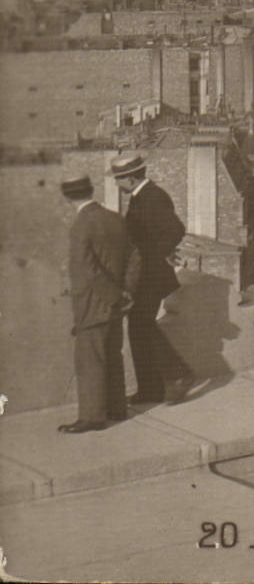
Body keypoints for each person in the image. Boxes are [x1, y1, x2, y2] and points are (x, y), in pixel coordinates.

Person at [60, 173, 140, 433]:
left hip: (94, 304)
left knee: (90, 359)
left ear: (67, 197)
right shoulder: (114, 218)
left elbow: (87, 270)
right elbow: (134, 256)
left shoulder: (80, 226)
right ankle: (117, 409)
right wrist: (126, 291)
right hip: (117, 302)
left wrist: (113, 295)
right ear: (91, 191)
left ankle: (93, 417)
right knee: (113, 355)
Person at [111, 153, 193, 406]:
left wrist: (154, 256)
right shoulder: (140, 197)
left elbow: (176, 229)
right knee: (138, 327)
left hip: (151, 276)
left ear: (132, 178)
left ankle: (179, 374)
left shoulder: (153, 197)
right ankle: (151, 389)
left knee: (142, 325)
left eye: (119, 179)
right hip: (146, 274)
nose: (117, 184)